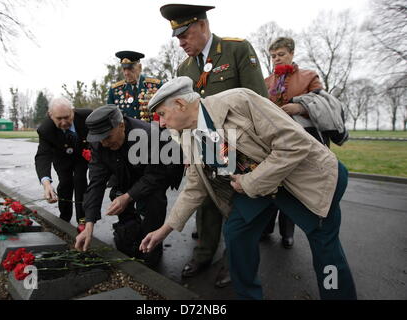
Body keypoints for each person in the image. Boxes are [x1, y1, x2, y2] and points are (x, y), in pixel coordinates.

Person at [139, 76, 357, 300]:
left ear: (180, 104)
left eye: (162, 115)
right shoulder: (186, 135)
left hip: (305, 179)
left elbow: (294, 144)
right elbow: (195, 186)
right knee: (236, 234)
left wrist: (249, 183)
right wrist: (164, 230)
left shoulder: (240, 101)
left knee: (325, 250)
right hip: (259, 187)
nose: (161, 123)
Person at [159, 3, 269, 288]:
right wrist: (187, 150)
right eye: (177, 37)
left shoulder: (237, 50)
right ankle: (204, 253)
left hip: (241, 147)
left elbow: (259, 103)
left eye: (184, 34)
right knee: (206, 200)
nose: (180, 42)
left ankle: (235, 260)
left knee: (240, 207)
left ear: (203, 26)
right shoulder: (184, 67)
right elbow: (185, 113)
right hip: (204, 147)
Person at [74, 105, 184, 268]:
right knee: (117, 197)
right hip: (126, 169)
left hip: (159, 170)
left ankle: (151, 251)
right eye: (100, 139)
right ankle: (130, 236)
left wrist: (128, 197)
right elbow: (96, 182)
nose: (104, 143)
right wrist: (89, 223)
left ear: (121, 126)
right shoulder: (99, 143)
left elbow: (155, 176)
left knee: (153, 204)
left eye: (108, 137)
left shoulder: (149, 135)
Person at [262, 37, 325, 249]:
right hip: (272, 142)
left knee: (292, 188)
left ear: (292, 53)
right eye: (273, 56)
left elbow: (322, 103)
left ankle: (287, 233)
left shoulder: (309, 76)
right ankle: (266, 227)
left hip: (300, 141)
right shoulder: (266, 81)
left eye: (281, 54)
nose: (276, 59)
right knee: (271, 184)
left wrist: (299, 108)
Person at [34, 98, 92, 231]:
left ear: (73, 111)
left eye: (67, 117)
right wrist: (46, 184)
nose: (64, 122)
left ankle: (82, 219)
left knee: (80, 181)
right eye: (59, 119)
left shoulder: (87, 116)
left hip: (81, 155)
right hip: (61, 158)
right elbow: (43, 155)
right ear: (50, 115)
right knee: (65, 183)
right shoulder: (45, 129)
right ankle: (64, 217)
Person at [107, 51, 163, 122]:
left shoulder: (156, 85)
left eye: (130, 69)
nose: (126, 73)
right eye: (124, 69)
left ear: (140, 67)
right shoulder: (115, 90)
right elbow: (111, 118)